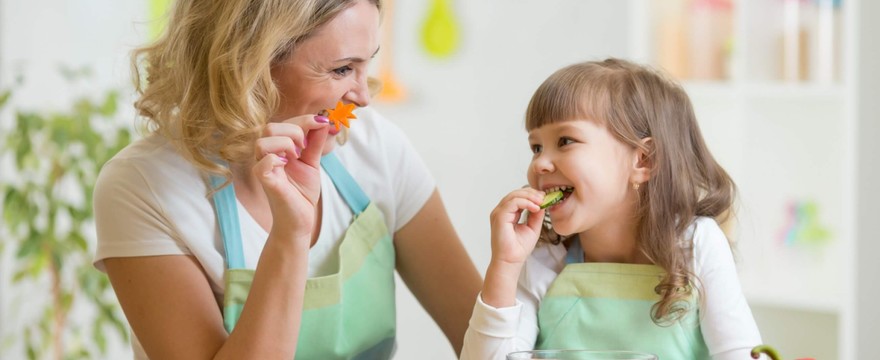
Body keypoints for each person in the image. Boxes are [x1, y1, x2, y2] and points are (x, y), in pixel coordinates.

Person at [92, 0, 481, 358]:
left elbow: (481, 338)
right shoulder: (141, 187)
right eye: (342, 69)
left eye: (367, 64)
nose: (363, 97)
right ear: (249, 63)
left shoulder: (377, 147)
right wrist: (291, 234)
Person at [460, 58, 763, 360]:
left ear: (643, 160)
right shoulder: (544, 261)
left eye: (565, 141)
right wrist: (505, 264)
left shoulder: (696, 245)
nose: (539, 163)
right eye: (536, 147)